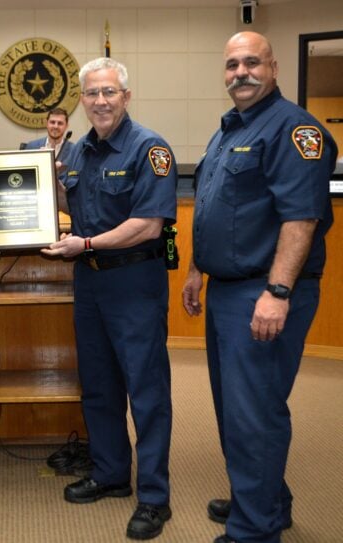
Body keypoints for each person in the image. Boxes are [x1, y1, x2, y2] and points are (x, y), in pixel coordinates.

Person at [182, 31, 336, 543]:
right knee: (236, 410)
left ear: (273, 68)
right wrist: (197, 270)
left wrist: (278, 293)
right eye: (231, 64)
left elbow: (300, 218)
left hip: (264, 294)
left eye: (251, 62)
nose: (240, 72)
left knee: (254, 415)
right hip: (228, 290)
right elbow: (215, 207)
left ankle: (253, 530)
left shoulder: (296, 129)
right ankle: (265, 500)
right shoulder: (230, 129)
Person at [42, 57, 177, 540]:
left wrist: (89, 244)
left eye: (109, 92)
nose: (100, 101)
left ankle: (155, 497)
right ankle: (111, 474)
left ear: (126, 95)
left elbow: (149, 223)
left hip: (134, 283)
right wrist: (49, 186)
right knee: (97, 386)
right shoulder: (76, 153)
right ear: (82, 99)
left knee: (146, 391)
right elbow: (69, 205)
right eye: (92, 93)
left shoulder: (149, 148)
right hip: (90, 284)